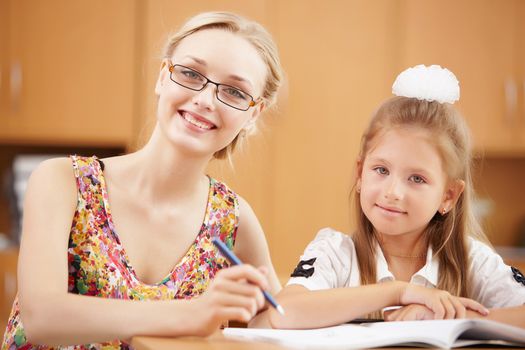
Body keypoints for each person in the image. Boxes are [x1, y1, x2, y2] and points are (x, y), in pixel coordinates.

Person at [2, 11, 283, 349]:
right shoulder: (63, 181)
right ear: (163, 76)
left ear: (253, 113)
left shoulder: (234, 219)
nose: (205, 100)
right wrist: (194, 314)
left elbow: (276, 316)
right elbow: (42, 318)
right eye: (191, 74)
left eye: (236, 92)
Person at [269, 65, 525, 330]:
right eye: (381, 170)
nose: (392, 192)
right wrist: (399, 292)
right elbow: (283, 312)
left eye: (417, 179)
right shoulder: (335, 253)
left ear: (448, 196)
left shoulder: (472, 260)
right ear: (360, 174)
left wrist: (452, 317)